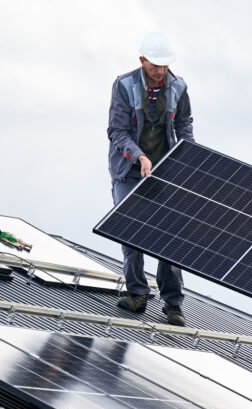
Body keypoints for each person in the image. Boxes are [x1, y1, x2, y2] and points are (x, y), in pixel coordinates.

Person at [107, 32, 194, 326]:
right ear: (142, 60)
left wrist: (190, 158)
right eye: (155, 65)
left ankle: (173, 304)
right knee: (131, 231)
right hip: (129, 170)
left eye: (165, 65)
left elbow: (184, 125)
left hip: (165, 171)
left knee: (170, 237)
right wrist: (140, 157)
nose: (160, 70)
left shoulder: (178, 87)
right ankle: (137, 294)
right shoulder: (124, 86)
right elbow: (117, 132)